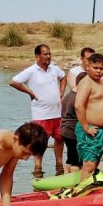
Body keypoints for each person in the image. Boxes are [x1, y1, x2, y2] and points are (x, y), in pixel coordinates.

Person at [8, 44, 66, 177]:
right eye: (45, 54)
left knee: (59, 139)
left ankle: (59, 166)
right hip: (41, 115)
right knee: (39, 142)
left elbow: (63, 77)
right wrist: (29, 91)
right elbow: (13, 82)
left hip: (57, 113)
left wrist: (62, 91)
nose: (48, 56)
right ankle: (38, 170)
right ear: (37, 56)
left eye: (49, 54)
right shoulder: (31, 71)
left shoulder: (54, 69)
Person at [75, 53, 103, 181]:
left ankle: (89, 188)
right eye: (95, 68)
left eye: (101, 68)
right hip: (90, 129)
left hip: (102, 131)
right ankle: (81, 194)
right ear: (87, 67)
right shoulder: (86, 83)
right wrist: (86, 128)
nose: (99, 71)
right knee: (89, 165)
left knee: (95, 164)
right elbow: (78, 106)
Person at [59, 74, 83, 175]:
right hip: (73, 132)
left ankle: (65, 178)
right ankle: (75, 183)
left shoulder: (68, 96)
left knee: (70, 157)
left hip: (65, 130)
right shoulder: (78, 98)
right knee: (76, 161)